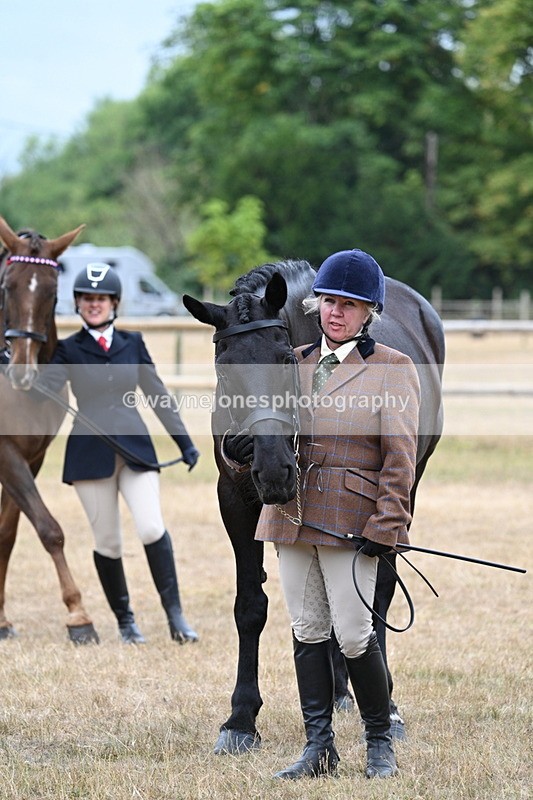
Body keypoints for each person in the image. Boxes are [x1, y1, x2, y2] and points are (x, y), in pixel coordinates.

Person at [225, 249, 420, 780]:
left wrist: (388, 524)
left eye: (350, 305)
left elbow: (401, 456)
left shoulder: (393, 368)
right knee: (308, 629)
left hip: (351, 521)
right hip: (291, 517)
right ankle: (319, 747)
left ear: (369, 313)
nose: (336, 312)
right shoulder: (292, 361)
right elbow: (266, 430)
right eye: (329, 301)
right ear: (315, 305)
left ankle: (379, 741)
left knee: (355, 635)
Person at [36, 262, 200, 645]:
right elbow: (43, 388)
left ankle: (176, 617)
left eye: (102, 299)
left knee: (150, 527)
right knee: (108, 541)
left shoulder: (133, 343)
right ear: (78, 304)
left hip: (136, 450)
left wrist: (184, 442)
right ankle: (126, 622)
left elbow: (157, 394)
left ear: (114, 303)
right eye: (88, 299)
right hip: (89, 456)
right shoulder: (67, 350)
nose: (95, 305)